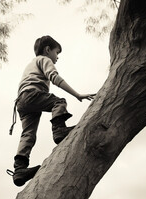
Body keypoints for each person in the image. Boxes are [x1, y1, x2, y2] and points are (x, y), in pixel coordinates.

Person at [8, 35, 96, 187]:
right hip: (32, 95)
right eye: (57, 53)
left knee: (28, 134)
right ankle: (59, 129)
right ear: (48, 50)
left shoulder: (31, 64)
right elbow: (54, 77)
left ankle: (19, 169)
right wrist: (77, 95)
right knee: (59, 102)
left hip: (22, 102)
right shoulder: (44, 59)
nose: (57, 57)